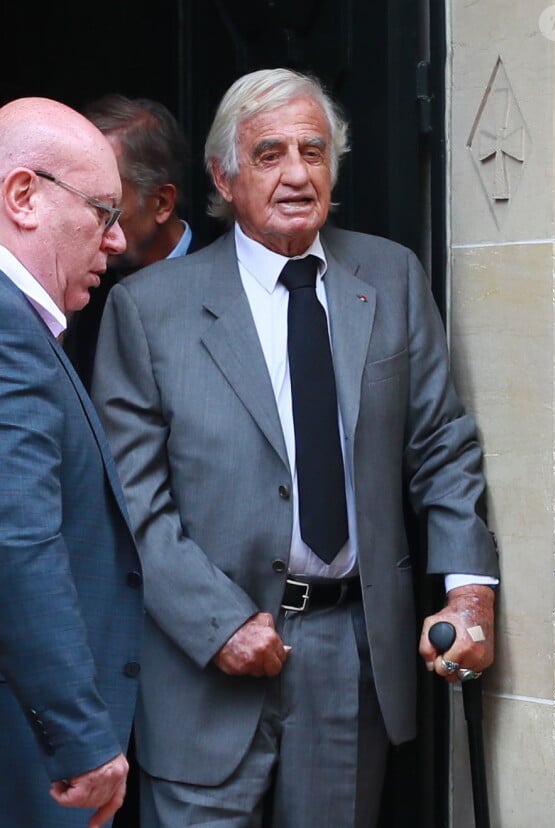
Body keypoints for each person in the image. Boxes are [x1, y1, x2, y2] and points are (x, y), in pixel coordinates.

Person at [92, 68, 500, 828]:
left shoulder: (389, 277)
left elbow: (442, 443)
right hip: (205, 667)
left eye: (314, 152)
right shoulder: (148, 310)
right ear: (224, 174)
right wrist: (219, 624)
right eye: (270, 153)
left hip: (351, 657)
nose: (295, 174)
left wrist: (470, 589)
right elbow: (132, 502)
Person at [0, 97, 143, 828]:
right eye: (102, 211)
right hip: (32, 764)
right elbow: (17, 539)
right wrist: (84, 740)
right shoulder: (5, 327)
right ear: (23, 197)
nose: (117, 240)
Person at [64, 93, 199, 390]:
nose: (86, 223)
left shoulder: (230, 280)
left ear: (162, 203)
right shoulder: (78, 294)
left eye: (105, 207)